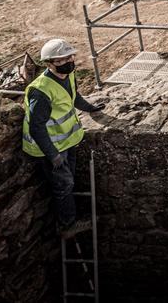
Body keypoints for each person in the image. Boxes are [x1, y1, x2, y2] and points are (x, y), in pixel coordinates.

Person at [22, 38, 102, 237]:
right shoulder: (40, 92)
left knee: (69, 181)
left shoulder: (68, 74)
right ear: (49, 64)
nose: (69, 61)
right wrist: (53, 155)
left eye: (70, 57)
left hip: (66, 141)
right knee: (63, 184)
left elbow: (74, 97)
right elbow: (36, 127)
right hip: (49, 147)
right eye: (62, 59)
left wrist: (91, 108)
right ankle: (66, 225)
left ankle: (69, 216)